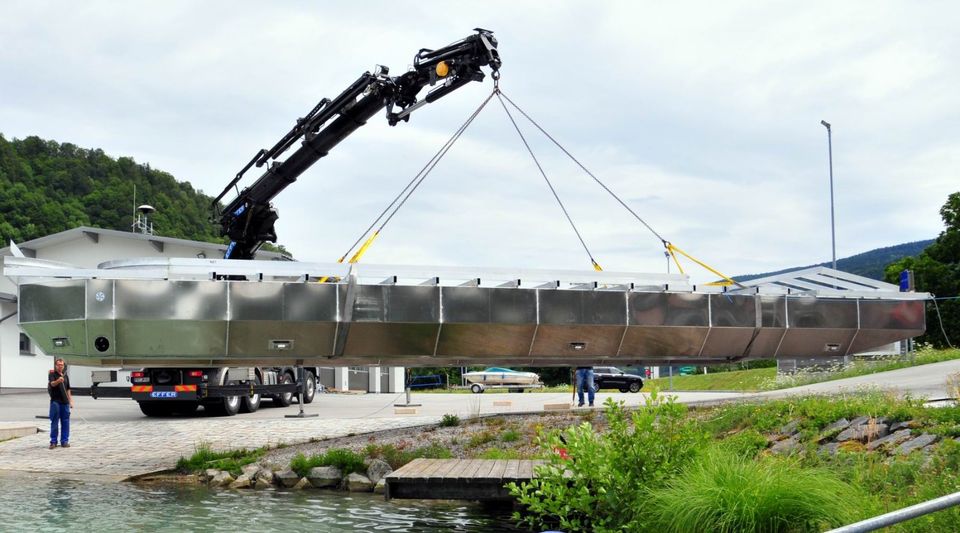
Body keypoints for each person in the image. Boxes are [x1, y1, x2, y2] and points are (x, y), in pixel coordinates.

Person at [47, 358, 73, 449]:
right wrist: (58, 381)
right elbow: (52, 384)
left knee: (65, 422)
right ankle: (53, 442)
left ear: (63, 366)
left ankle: (64, 441)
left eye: (62, 365)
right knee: (54, 422)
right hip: (55, 402)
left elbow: (68, 389)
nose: (60, 366)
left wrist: (70, 401)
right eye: (58, 365)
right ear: (55, 365)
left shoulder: (66, 376)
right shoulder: (52, 374)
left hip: (65, 402)